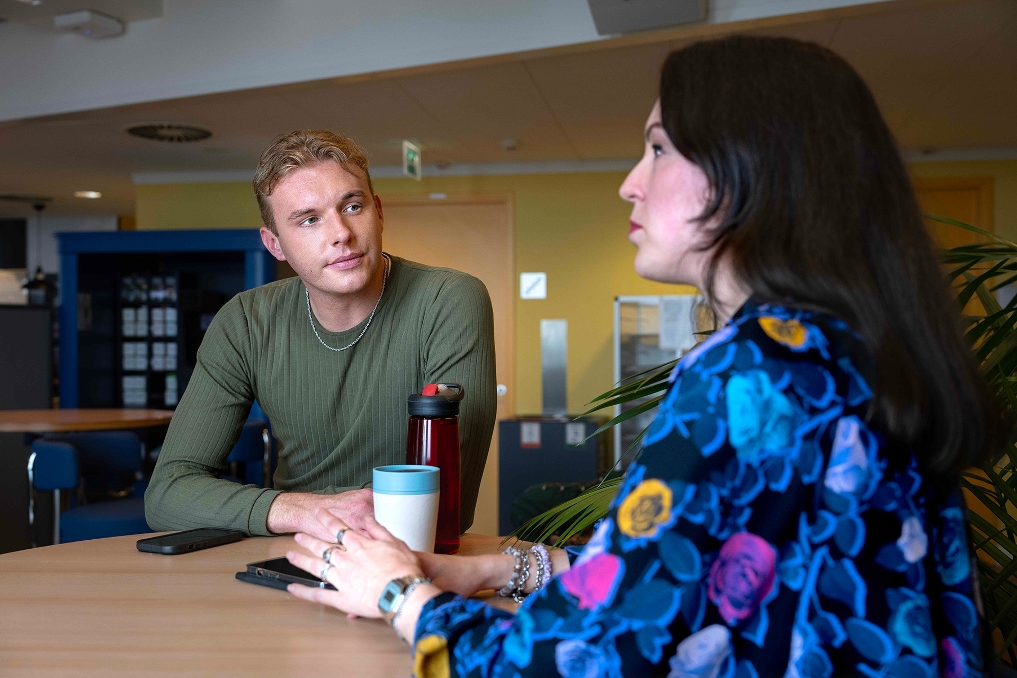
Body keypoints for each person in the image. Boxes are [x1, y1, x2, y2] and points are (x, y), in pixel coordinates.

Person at [285, 37, 1008, 677]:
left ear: (748, 169)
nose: (631, 180)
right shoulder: (845, 348)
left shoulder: (751, 373)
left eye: (658, 148)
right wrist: (489, 568)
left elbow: (582, 659)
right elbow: (688, 555)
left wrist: (397, 593)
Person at [145, 130, 497, 542]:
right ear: (274, 244)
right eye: (309, 219)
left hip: (410, 559)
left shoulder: (447, 300)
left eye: (352, 206)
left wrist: (300, 509)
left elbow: (439, 506)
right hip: (288, 553)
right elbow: (167, 493)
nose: (341, 233)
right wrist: (302, 510)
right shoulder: (244, 321)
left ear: (378, 212)